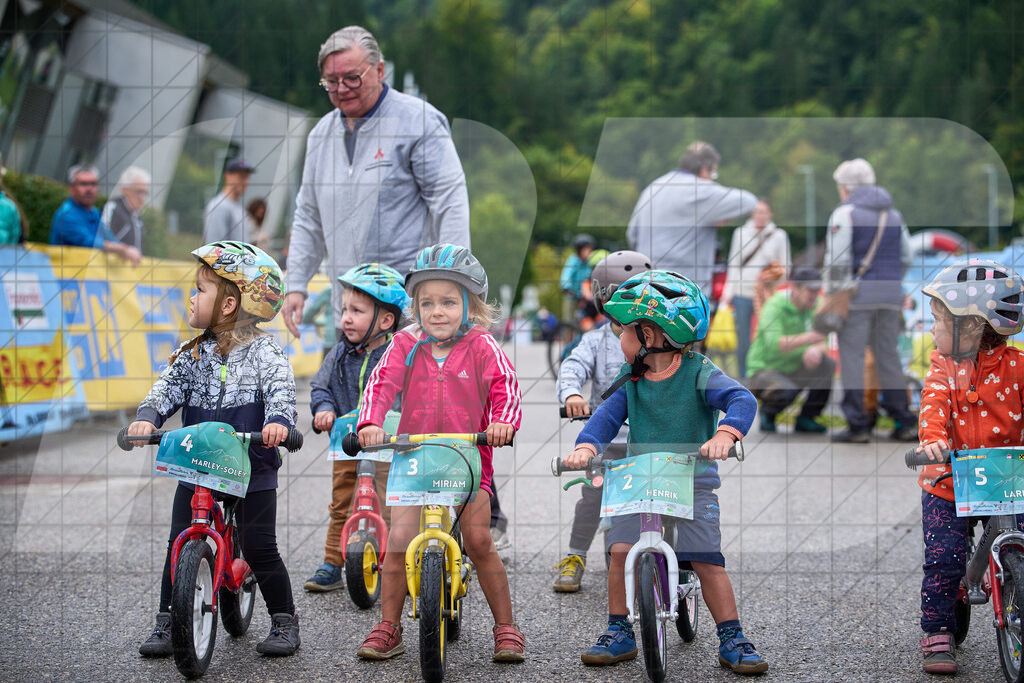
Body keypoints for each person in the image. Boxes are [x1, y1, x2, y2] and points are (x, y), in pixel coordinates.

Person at [563, 270, 768, 674]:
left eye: (623, 330)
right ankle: (618, 629)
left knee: (707, 560)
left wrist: (726, 434)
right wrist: (586, 447)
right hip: (637, 478)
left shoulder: (698, 373)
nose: (617, 337)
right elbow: (604, 418)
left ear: (650, 337)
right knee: (619, 552)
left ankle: (732, 636)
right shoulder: (632, 380)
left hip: (692, 479)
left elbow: (741, 399)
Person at [128, 240, 299, 657]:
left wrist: (278, 422)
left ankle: (283, 620)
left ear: (228, 305)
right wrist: (149, 415)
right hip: (199, 465)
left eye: (200, 290)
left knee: (259, 545)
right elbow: (167, 386)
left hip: (252, 465)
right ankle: (168, 621)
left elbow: (281, 389)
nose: (191, 296)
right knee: (178, 541)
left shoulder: (265, 352)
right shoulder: (193, 353)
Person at [354, 243, 524, 662]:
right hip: (414, 456)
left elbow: (506, 385)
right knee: (397, 540)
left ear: (471, 305)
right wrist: (372, 422)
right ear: (415, 306)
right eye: (426, 303)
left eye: (449, 302)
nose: (437, 311)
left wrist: (502, 421)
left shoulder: (482, 345)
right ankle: (389, 626)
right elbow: (380, 385)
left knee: (481, 540)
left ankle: (506, 628)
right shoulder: (404, 344)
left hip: (468, 456)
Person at [281, 25, 470, 339]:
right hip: (349, 313)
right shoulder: (320, 136)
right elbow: (308, 217)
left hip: (409, 312)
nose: (341, 89)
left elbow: (449, 204)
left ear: (379, 70)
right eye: (331, 82)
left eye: (352, 78)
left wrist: (453, 283)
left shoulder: (419, 122)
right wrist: (296, 284)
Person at [913, 260, 1024, 674]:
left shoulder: (1017, 366)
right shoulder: (944, 366)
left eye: (938, 321)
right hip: (949, 478)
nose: (931, 330)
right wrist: (933, 441)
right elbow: (933, 403)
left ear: (971, 326)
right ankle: (938, 631)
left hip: (1009, 476)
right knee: (944, 559)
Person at [303, 263, 407, 592]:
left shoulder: (398, 353)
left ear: (386, 320)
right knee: (342, 503)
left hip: (385, 445)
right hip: (346, 442)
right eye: (345, 309)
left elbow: (413, 394)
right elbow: (321, 387)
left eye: (357, 311)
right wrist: (324, 409)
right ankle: (333, 562)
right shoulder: (338, 354)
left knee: (388, 503)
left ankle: (392, 565)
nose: (346, 317)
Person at [553, 250, 653, 593]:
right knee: (592, 499)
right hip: (606, 441)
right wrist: (572, 395)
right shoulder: (594, 340)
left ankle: (673, 557)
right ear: (604, 301)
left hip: (650, 441)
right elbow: (572, 366)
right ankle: (575, 555)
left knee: (660, 496)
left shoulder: (658, 340)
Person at [823, 158, 916, 443]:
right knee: (888, 357)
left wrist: (833, 293)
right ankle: (904, 420)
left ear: (846, 187)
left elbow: (837, 262)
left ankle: (858, 425)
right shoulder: (895, 215)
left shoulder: (845, 214)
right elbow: (907, 257)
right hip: (889, 297)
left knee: (852, 358)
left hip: (857, 297)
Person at [626, 141, 756, 295]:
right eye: (713, 173)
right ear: (705, 168)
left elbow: (632, 236)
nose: (712, 179)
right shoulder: (700, 190)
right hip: (684, 294)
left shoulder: (652, 188)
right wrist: (720, 217)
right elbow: (749, 201)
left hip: (646, 289)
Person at [745, 267, 832, 434]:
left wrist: (816, 350)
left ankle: (807, 418)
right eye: (810, 290)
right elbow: (774, 344)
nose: (814, 295)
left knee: (827, 364)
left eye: (817, 289)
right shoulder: (774, 306)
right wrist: (808, 339)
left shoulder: (817, 306)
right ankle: (768, 413)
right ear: (795, 288)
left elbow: (824, 343)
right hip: (764, 370)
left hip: (794, 367)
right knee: (786, 389)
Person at [721, 199, 790, 378]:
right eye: (757, 212)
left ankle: (764, 375)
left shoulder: (779, 236)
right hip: (743, 293)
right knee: (743, 339)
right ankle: (744, 377)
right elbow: (734, 263)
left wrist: (771, 278)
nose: (760, 216)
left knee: (766, 336)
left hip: (767, 293)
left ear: (770, 215)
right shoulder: (741, 233)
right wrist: (729, 292)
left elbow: (785, 266)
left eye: (764, 212)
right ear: (752, 214)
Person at [50, 165, 141, 264]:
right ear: (71, 188)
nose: (89, 189)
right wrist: (122, 250)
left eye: (93, 184)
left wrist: (125, 248)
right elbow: (89, 243)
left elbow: (108, 237)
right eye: (83, 184)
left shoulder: (94, 213)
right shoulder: (66, 214)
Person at [203, 158, 255, 244]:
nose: (246, 182)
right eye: (242, 177)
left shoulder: (239, 208)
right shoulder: (219, 206)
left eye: (247, 177)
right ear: (228, 176)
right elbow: (214, 250)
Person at [101, 166, 150, 251]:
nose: (142, 197)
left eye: (145, 193)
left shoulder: (137, 217)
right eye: (138, 192)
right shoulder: (113, 208)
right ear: (124, 190)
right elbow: (102, 237)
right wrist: (123, 250)